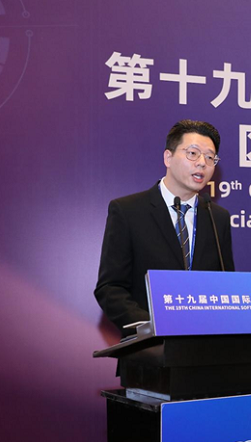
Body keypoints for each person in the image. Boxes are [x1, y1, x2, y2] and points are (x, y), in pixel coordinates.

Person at [95, 120, 234, 336]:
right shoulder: (128, 211)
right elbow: (110, 288)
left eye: (210, 157)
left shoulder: (217, 218)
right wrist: (153, 327)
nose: (202, 163)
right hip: (149, 347)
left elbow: (225, 286)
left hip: (205, 346)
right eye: (193, 154)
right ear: (168, 157)